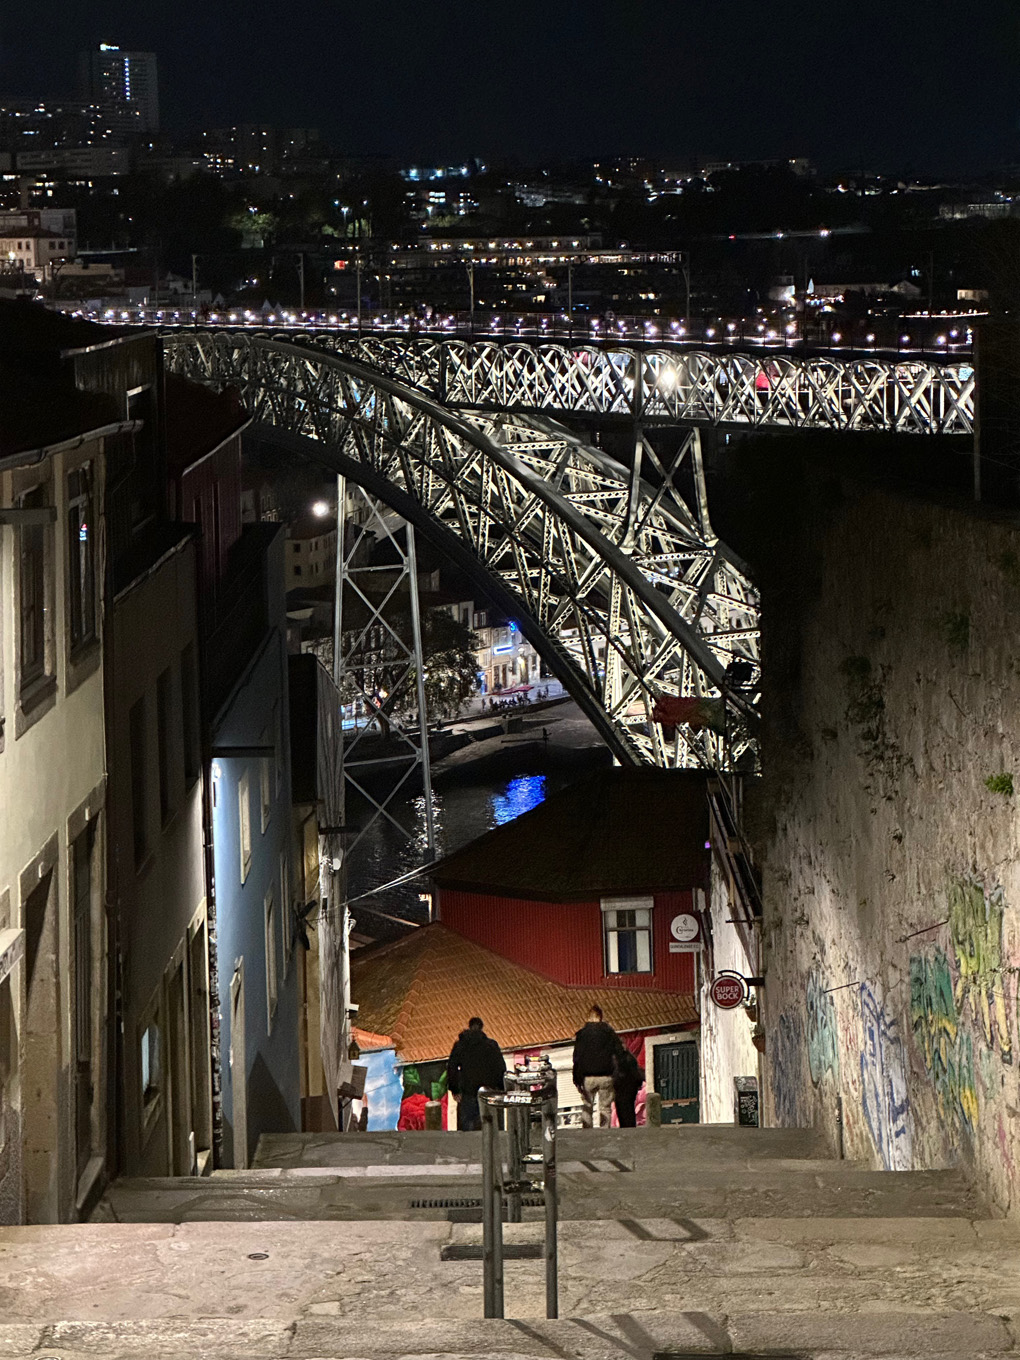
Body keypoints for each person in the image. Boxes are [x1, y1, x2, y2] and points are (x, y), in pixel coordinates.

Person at [446, 1017, 506, 1131]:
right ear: (482, 1028)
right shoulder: (491, 1045)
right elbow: (500, 1068)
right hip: (489, 1092)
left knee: (467, 1132)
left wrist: (455, 1089)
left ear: (469, 1026)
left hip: (467, 1093)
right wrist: (501, 1088)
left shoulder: (461, 1045)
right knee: (491, 1128)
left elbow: (451, 1067)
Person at [572, 1005, 619, 1128]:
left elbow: (577, 1058)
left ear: (588, 1017)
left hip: (588, 1077)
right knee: (605, 1108)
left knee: (587, 1106)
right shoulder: (609, 1033)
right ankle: (604, 1132)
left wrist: (577, 1079)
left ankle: (587, 1133)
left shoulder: (582, 1035)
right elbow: (618, 1054)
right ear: (601, 1017)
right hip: (606, 1076)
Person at [612, 1043, 645, 1128]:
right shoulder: (631, 1058)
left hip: (621, 1087)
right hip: (631, 1087)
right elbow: (636, 1073)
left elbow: (616, 1074)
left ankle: (624, 1126)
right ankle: (630, 1125)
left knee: (621, 1107)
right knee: (629, 1107)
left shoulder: (617, 1059)